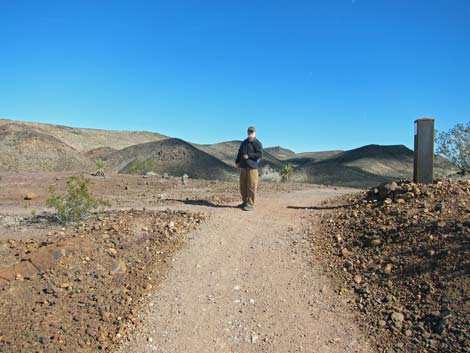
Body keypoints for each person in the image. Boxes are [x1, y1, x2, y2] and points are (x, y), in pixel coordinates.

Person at [235, 126, 263, 211]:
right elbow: (240, 152)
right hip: (243, 166)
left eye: (252, 132)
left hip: (252, 168)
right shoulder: (244, 142)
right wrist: (237, 161)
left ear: (255, 133)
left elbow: (260, 154)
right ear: (247, 132)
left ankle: (250, 204)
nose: (250, 133)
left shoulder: (257, 143)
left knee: (251, 186)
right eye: (249, 132)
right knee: (243, 185)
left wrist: (249, 156)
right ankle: (244, 202)